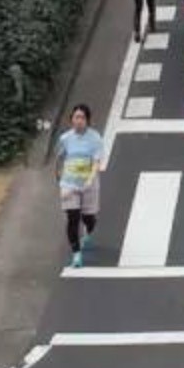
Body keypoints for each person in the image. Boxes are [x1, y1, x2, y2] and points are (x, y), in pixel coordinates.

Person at [55, 103, 104, 269]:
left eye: (82, 117)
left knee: (89, 218)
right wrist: (58, 176)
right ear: (71, 120)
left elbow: (97, 162)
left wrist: (90, 179)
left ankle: (88, 232)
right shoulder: (65, 139)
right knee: (73, 218)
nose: (79, 121)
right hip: (69, 183)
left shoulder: (95, 138)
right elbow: (59, 157)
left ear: (87, 120)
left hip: (88, 184)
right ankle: (76, 254)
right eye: (76, 117)